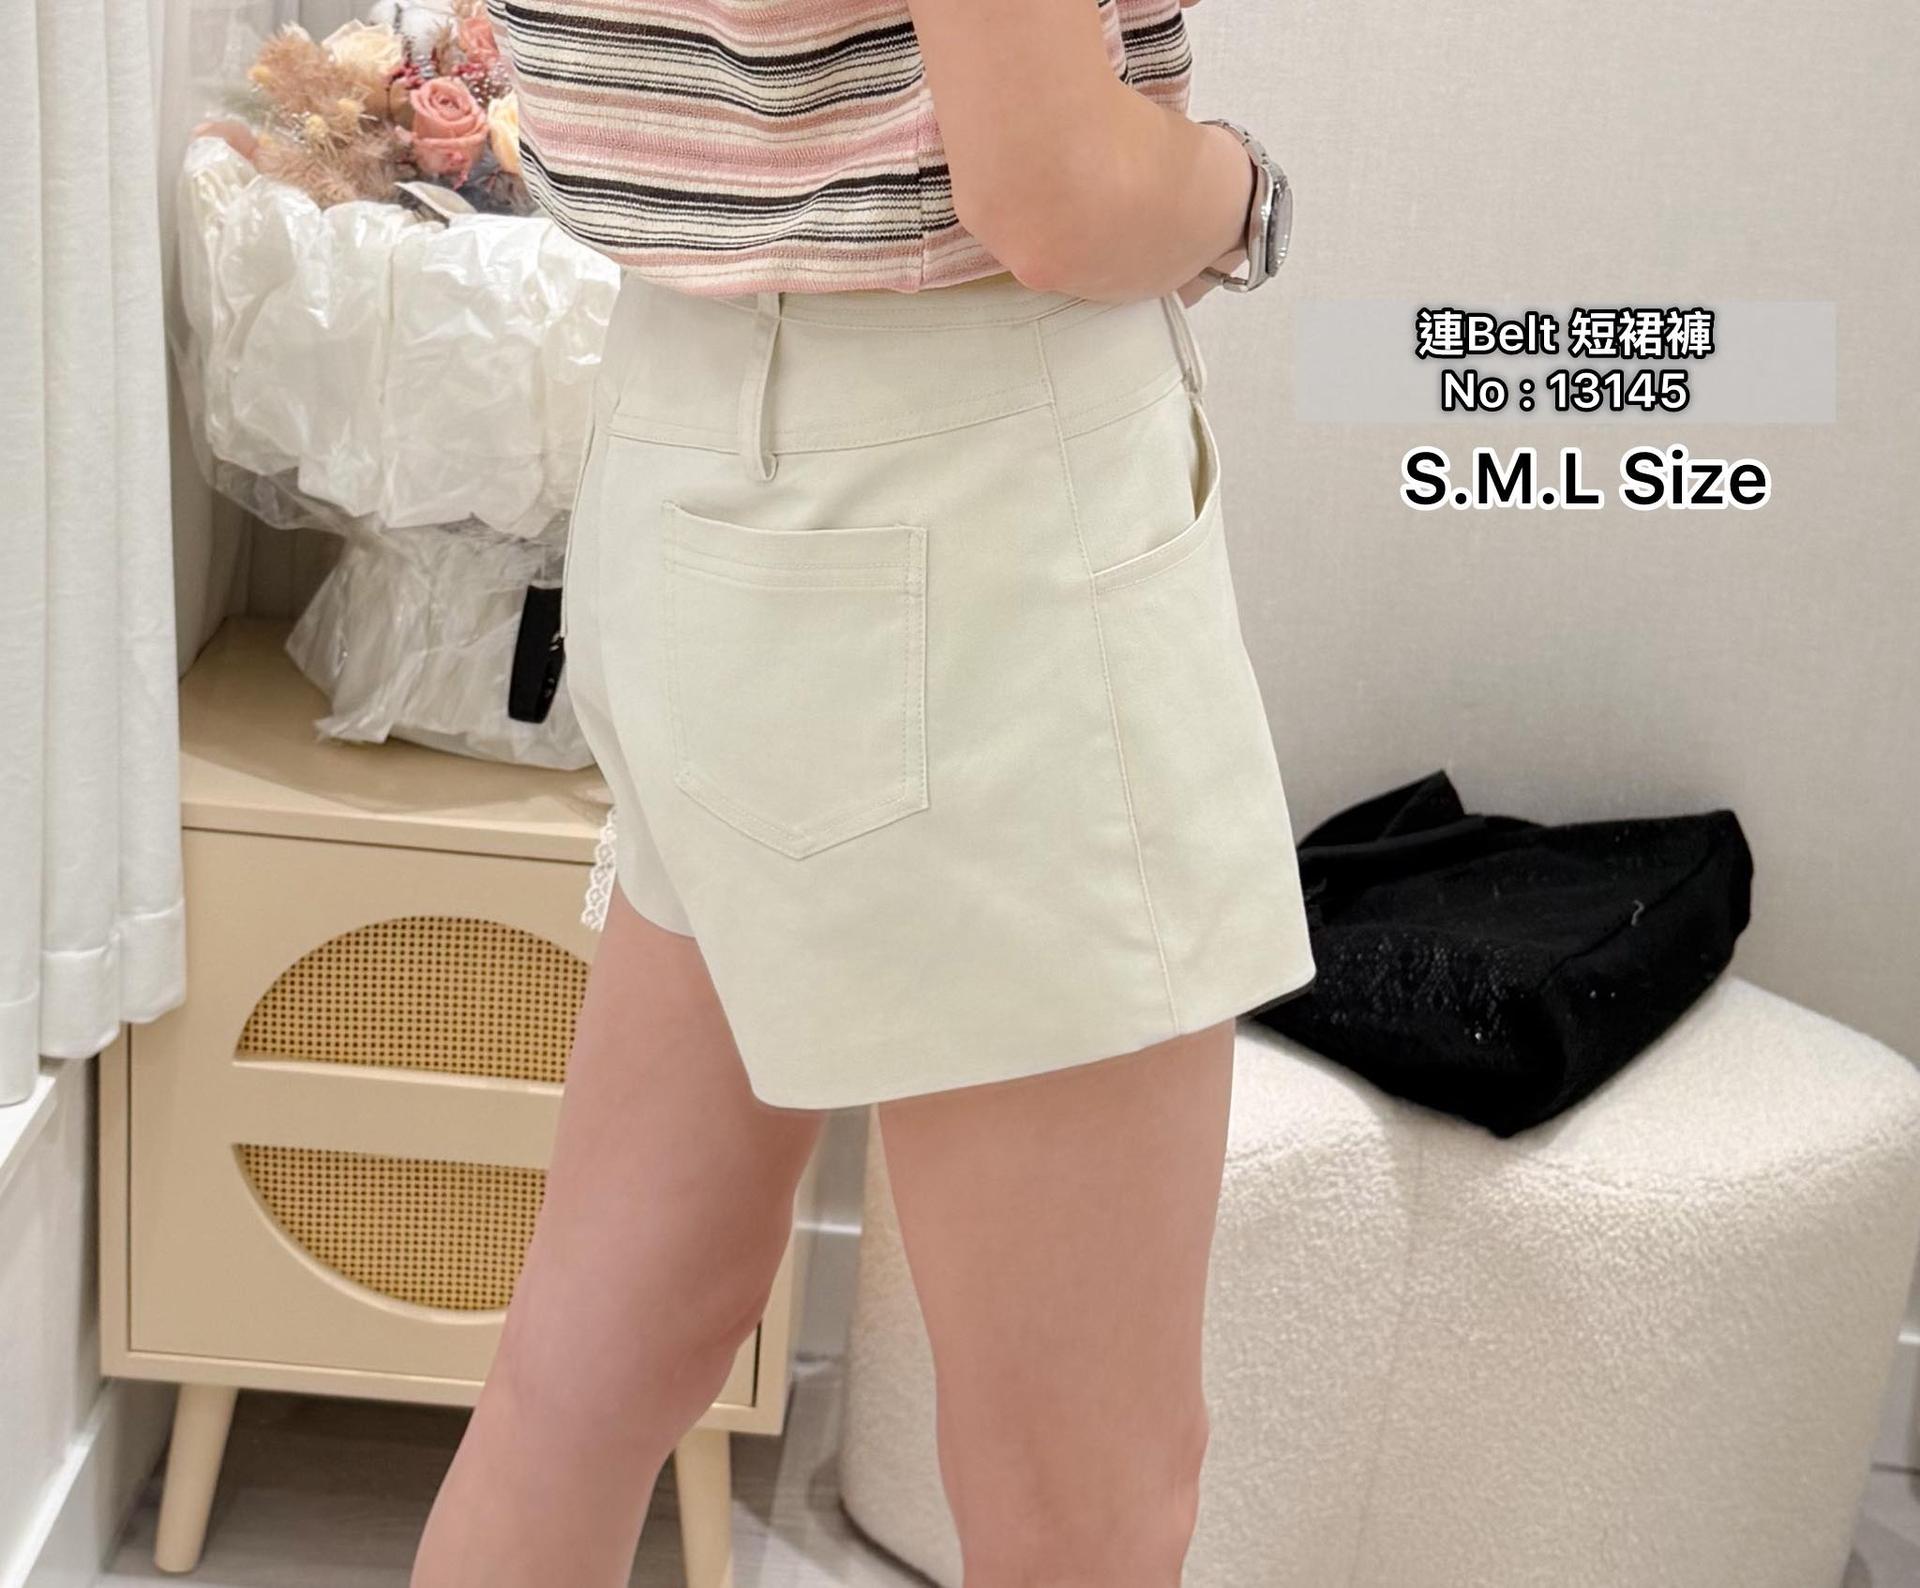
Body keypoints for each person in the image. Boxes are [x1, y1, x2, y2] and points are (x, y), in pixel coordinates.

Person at [412, 0, 1312, 1581]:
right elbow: (1055, 188)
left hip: (683, 447)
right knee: (1093, 1501)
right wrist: (1243, 194)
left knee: (596, 1364)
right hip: (961, 498)